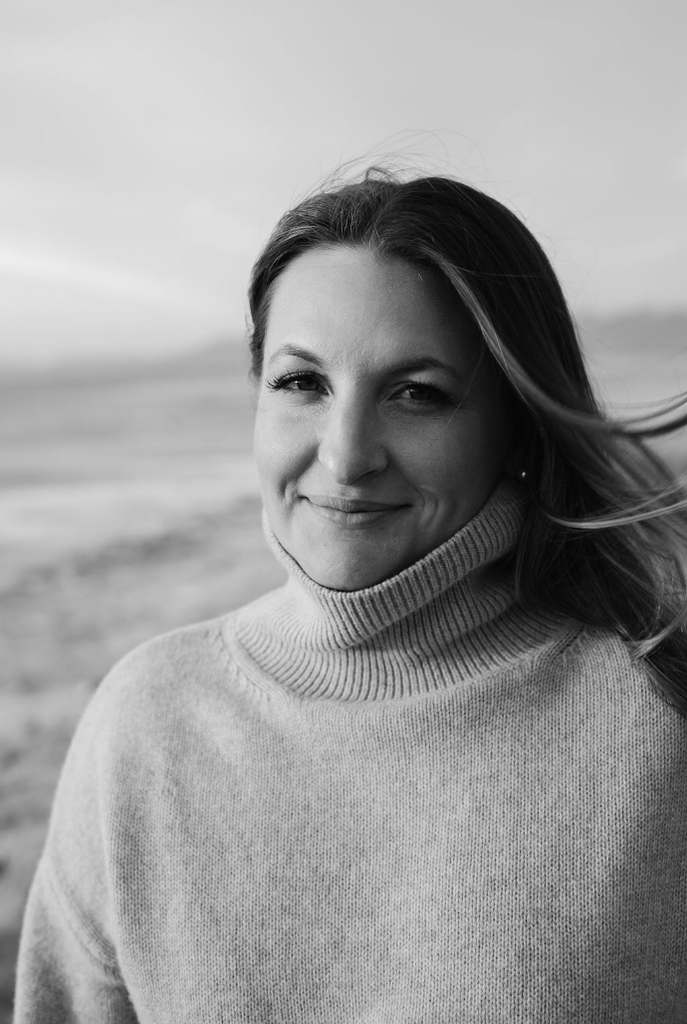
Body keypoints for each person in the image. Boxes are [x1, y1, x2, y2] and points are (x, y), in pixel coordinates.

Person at [14, 170, 687, 1022]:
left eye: (417, 394)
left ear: (514, 422)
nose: (345, 454)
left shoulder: (656, 714)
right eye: (302, 383)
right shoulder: (144, 720)